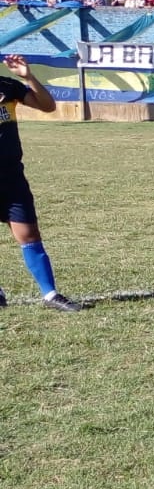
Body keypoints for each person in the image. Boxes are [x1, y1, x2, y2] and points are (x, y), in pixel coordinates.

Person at [0, 55, 90, 311]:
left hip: (11, 178)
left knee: (29, 235)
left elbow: (47, 106)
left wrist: (28, 77)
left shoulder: (7, 87)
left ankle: (50, 294)